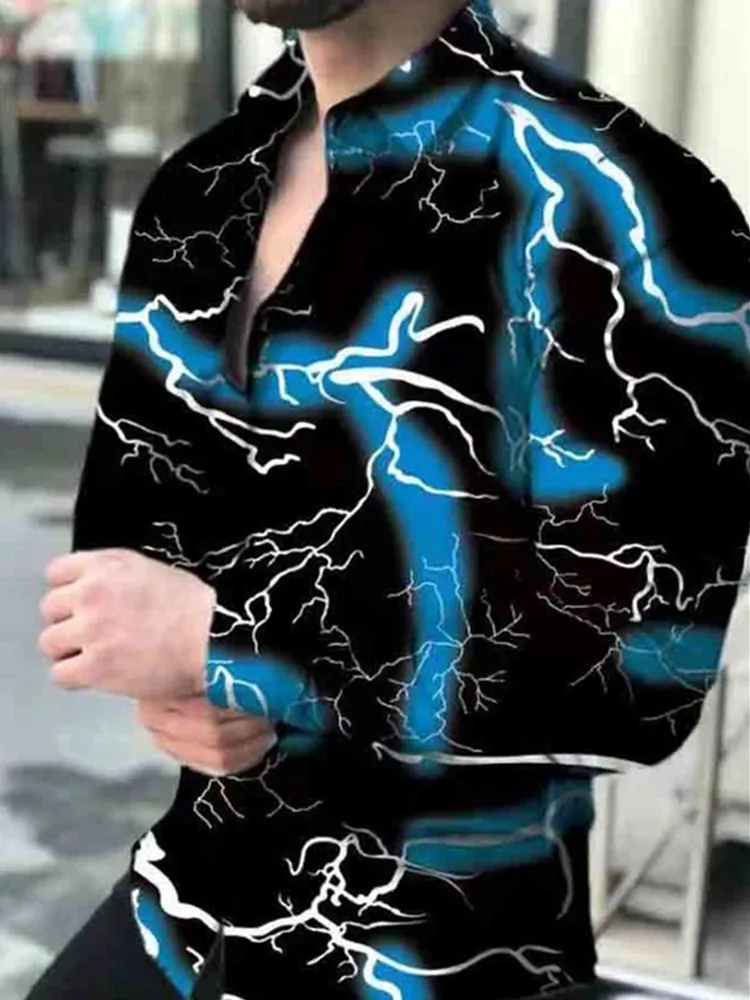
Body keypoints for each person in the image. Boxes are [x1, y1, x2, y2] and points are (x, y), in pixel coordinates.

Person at [31, 0, 750, 998]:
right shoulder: (196, 192)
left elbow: (646, 665)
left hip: (445, 954)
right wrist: (183, 687)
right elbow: (128, 566)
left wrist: (231, 643)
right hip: (190, 908)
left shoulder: (627, 198)